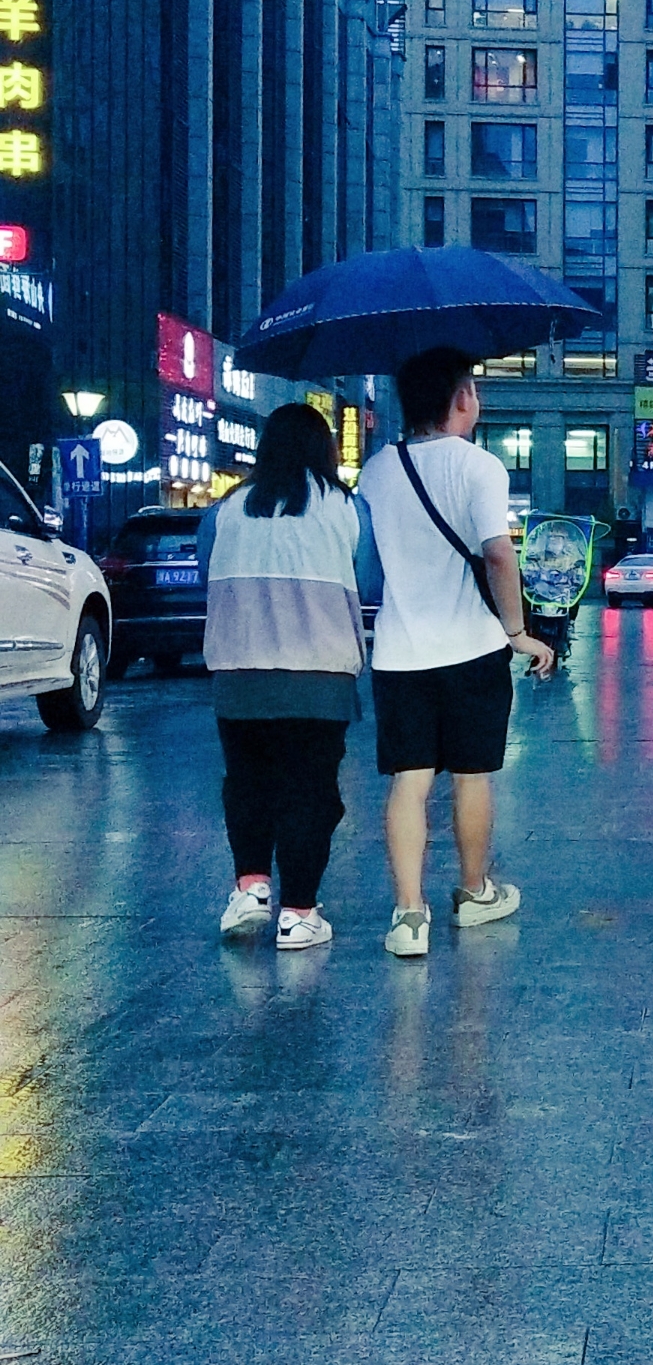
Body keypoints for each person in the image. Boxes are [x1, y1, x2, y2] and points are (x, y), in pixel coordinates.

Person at [355, 347, 556, 959]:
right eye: (473, 387)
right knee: (472, 776)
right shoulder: (480, 467)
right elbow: (499, 554)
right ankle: (473, 893)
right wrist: (518, 630)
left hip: (398, 651)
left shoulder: (377, 469)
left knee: (409, 782)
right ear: (461, 398)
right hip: (471, 648)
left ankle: (409, 915)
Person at [201, 400, 367, 952]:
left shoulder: (227, 509)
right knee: (310, 794)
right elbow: (368, 579)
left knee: (245, 784)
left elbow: (207, 569)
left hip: (238, 672)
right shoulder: (346, 509)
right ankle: (298, 912)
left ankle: (250, 887)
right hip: (318, 679)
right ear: (325, 450)